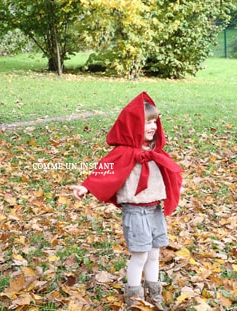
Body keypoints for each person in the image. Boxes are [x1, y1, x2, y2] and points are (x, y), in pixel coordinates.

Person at [68, 92, 182, 309]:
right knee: (139, 256)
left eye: (154, 122)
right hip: (136, 211)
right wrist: (86, 186)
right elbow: (104, 172)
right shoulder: (123, 153)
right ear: (133, 124)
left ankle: (154, 293)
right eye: (146, 122)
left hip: (154, 209)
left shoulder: (154, 151)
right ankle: (134, 299)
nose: (152, 127)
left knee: (154, 254)